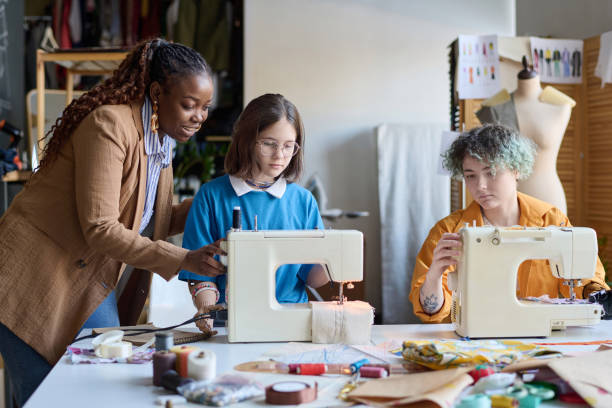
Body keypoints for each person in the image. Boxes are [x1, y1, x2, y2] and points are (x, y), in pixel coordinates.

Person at [0, 38, 225, 406]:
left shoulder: (159, 141)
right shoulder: (109, 124)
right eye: (189, 105)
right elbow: (101, 227)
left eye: (205, 108)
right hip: (29, 274)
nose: (199, 117)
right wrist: (183, 259)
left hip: (78, 273)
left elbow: (153, 219)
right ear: (156, 93)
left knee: (96, 386)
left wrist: (218, 198)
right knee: (51, 396)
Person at [409, 124, 609, 323]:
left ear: (516, 169)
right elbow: (431, 311)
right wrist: (434, 275)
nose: (480, 186)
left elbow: (586, 281)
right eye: (470, 176)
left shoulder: (551, 220)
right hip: (475, 338)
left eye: (491, 172)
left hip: (540, 330)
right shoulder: (448, 231)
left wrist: (596, 295)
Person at [178, 93, 329, 333]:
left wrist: (333, 259)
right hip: (229, 323)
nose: (280, 155)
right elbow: (200, 272)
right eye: (269, 143)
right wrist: (207, 308)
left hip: (293, 324)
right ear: (246, 140)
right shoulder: (211, 196)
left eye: (289, 146)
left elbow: (312, 277)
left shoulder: (303, 202)